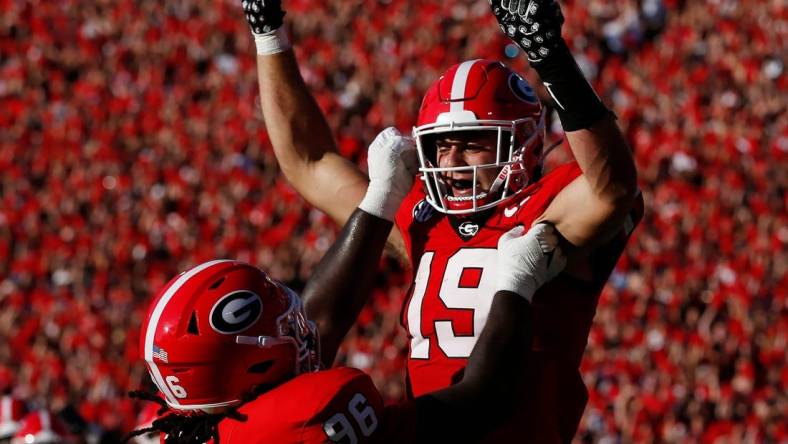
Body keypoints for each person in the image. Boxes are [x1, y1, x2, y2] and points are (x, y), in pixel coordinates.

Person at [244, 0, 644, 441]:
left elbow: (613, 187)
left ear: (522, 144)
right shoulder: (424, 218)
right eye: (440, 146)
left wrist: (549, 57)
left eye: (471, 144)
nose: (451, 162)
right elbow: (308, 161)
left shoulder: (548, 213)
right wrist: (267, 32)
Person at [124, 130, 567, 443]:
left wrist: (377, 202)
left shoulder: (177, 422)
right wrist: (514, 285)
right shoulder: (312, 419)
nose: (298, 321)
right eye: (279, 322)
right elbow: (479, 404)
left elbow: (321, 321)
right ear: (248, 366)